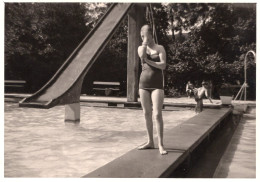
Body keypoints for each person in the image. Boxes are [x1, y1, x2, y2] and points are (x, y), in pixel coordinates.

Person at [137, 25, 167, 155]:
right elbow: (142, 56)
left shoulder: (160, 48)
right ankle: (150, 141)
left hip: (157, 84)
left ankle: (160, 144)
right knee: (146, 113)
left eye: (146, 35)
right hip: (143, 84)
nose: (144, 38)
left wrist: (149, 61)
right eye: (142, 36)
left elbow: (163, 65)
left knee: (157, 114)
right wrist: (144, 43)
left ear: (151, 34)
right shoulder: (141, 47)